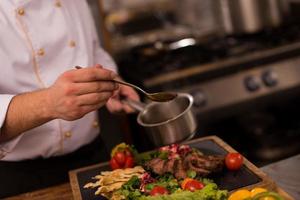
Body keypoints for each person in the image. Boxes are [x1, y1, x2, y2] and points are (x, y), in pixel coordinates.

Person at [0, 0, 139, 197]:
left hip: (94, 158)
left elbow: (91, 48)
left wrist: (106, 80)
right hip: (20, 179)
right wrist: (48, 103)